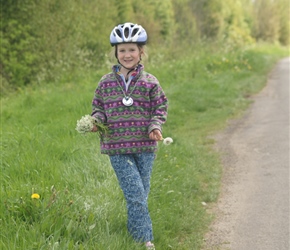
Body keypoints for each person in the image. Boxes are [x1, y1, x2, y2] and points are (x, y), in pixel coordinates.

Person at [91, 22, 168, 249]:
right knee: (135, 194)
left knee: (140, 195)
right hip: (117, 147)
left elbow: (160, 108)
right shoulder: (105, 83)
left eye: (132, 49)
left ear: (141, 52)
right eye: (122, 50)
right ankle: (146, 241)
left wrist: (155, 126)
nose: (127, 55)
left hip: (146, 147)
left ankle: (133, 236)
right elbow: (99, 108)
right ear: (115, 53)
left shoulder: (150, 82)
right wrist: (96, 121)